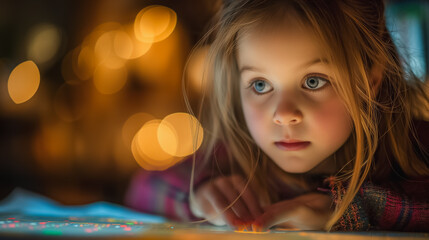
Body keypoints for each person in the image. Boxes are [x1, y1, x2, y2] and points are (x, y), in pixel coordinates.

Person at [125, 0, 429, 232]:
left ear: (370, 79)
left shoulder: (418, 152)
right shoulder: (234, 162)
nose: (283, 115)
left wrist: (353, 210)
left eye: (313, 81)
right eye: (260, 85)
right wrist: (196, 195)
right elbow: (142, 189)